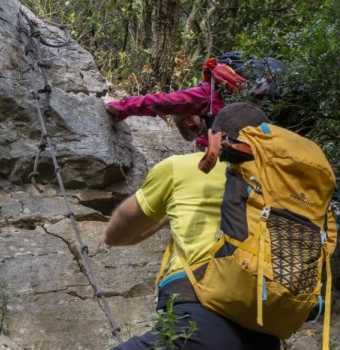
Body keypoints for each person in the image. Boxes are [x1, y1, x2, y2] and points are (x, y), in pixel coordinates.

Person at [104, 103, 281, 349]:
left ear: (211, 136)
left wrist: (165, 216)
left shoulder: (180, 167)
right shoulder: (280, 186)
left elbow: (115, 234)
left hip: (200, 312)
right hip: (267, 331)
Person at [103, 59, 247, 147]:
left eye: (197, 129)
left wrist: (123, 107)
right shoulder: (219, 98)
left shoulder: (205, 95)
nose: (201, 131)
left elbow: (162, 102)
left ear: (188, 119)